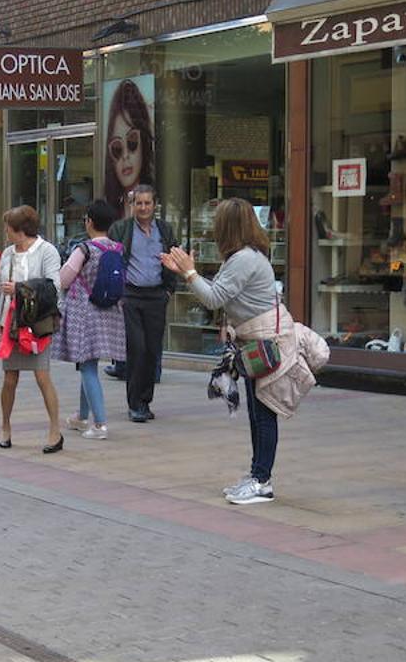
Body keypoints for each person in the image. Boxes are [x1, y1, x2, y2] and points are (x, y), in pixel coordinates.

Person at [161, 199, 308, 505]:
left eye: (217, 221)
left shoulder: (244, 259)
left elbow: (214, 298)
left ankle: (262, 480)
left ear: (227, 226)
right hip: (257, 342)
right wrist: (186, 273)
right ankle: (257, 475)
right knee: (258, 413)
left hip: (266, 342)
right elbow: (223, 295)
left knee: (264, 413)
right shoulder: (246, 257)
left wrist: (189, 274)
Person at [0, 205, 64, 453]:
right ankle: (5, 427)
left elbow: (54, 287)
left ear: (19, 230)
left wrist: (20, 288)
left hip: (37, 322)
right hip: (12, 322)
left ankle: (55, 431)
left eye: (8, 227)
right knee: (10, 378)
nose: (6, 232)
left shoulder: (47, 251)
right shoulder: (9, 253)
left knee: (42, 376)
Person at [51, 199, 127, 439]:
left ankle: (100, 424)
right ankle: (81, 417)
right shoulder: (117, 248)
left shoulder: (83, 249)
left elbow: (62, 280)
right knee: (89, 364)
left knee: (87, 367)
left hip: (84, 313)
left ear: (89, 222)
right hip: (109, 313)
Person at [108, 184, 176, 422]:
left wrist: (169, 290)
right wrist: (118, 294)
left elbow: (175, 259)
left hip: (156, 295)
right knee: (137, 349)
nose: (143, 207)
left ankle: (145, 401)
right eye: (139, 203)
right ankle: (135, 404)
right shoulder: (121, 229)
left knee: (152, 350)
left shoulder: (165, 230)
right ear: (132, 205)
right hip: (131, 296)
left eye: (147, 203)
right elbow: (111, 261)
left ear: (154, 205)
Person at [103, 79, 156, 216]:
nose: (125, 155)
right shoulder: (110, 215)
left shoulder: (158, 218)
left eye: (132, 142)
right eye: (117, 149)